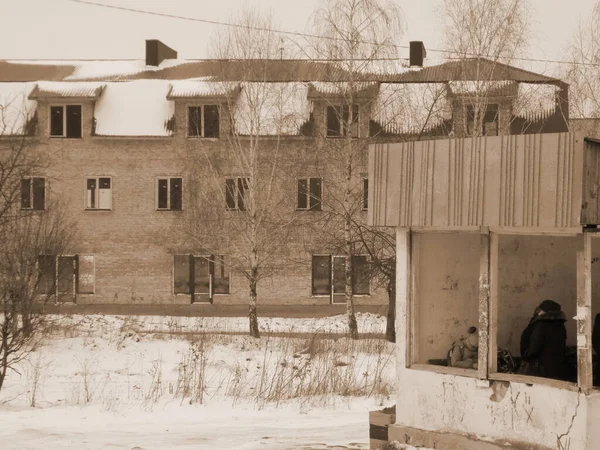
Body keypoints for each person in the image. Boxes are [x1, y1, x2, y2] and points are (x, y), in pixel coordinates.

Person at [519, 299, 567, 380]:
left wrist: (526, 356)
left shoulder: (541, 325)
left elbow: (535, 348)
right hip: (556, 367)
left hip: (540, 367)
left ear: (543, 311)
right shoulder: (560, 326)